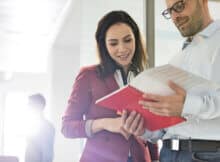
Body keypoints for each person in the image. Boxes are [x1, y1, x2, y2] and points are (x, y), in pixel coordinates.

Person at [122, 0, 220, 162]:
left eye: (180, 6)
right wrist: (143, 129)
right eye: (170, 12)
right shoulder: (179, 58)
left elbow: (186, 108)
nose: (175, 16)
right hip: (169, 153)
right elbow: (172, 126)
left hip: (205, 154)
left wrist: (186, 105)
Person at [61, 10, 158, 162]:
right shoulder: (89, 76)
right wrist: (105, 123)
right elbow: (67, 127)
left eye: (128, 40)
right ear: (104, 45)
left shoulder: (145, 79)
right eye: (113, 43)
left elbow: (152, 130)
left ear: (136, 39)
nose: (122, 49)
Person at [25, 93, 55, 162]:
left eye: (31, 104)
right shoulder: (30, 125)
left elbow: (47, 153)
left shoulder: (47, 127)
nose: (28, 106)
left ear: (40, 106)